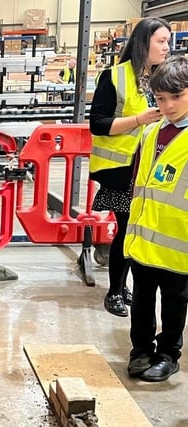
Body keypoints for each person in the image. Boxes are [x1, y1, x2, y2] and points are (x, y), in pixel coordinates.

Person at [89, 17, 169, 317]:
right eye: (160, 41)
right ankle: (115, 291)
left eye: (167, 42)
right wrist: (139, 119)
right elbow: (98, 123)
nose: (166, 48)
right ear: (143, 42)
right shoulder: (115, 76)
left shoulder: (165, 78)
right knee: (126, 228)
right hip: (122, 169)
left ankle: (124, 287)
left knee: (139, 228)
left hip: (153, 168)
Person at [124, 55, 188, 382]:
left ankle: (167, 355)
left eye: (177, 96)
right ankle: (140, 351)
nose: (168, 105)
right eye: (161, 98)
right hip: (144, 238)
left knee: (174, 302)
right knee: (142, 300)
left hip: (179, 244)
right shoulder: (150, 133)